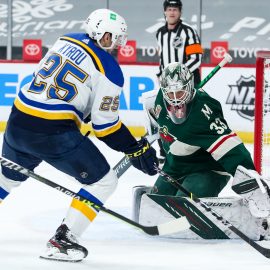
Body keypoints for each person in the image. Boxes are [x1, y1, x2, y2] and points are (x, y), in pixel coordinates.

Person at [0, 9, 158, 262]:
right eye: (113, 37)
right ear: (102, 34)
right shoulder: (110, 70)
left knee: (6, 179)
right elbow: (105, 127)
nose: (115, 44)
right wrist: (134, 148)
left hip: (18, 119)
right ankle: (63, 239)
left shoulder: (66, 39)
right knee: (104, 181)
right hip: (51, 131)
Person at [135, 62, 270, 240]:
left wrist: (252, 184)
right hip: (175, 167)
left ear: (189, 88)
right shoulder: (158, 100)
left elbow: (232, 148)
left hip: (208, 168)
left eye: (180, 93)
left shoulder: (204, 111)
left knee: (183, 208)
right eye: (171, 94)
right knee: (156, 205)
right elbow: (156, 120)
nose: (176, 100)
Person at [156, 0, 203, 163]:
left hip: (187, 84)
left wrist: (178, 77)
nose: (172, 12)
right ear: (164, 12)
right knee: (162, 114)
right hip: (167, 86)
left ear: (180, 12)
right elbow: (162, 58)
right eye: (169, 9)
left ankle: (193, 150)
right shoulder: (160, 33)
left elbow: (196, 59)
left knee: (190, 116)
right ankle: (164, 149)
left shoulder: (189, 32)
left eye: (175, 9)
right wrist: (160, 75)